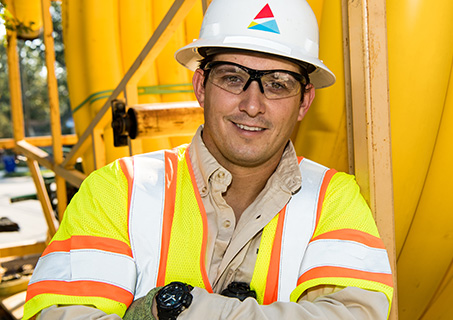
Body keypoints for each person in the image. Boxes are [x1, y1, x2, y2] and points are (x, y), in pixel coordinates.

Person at [23, 0, 393, 319]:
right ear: (201, 86)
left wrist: (178, 310)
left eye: (278, 83)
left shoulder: (333, 198)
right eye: (233, 78)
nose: (252, 105)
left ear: (305, 101)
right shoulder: (118, 189)